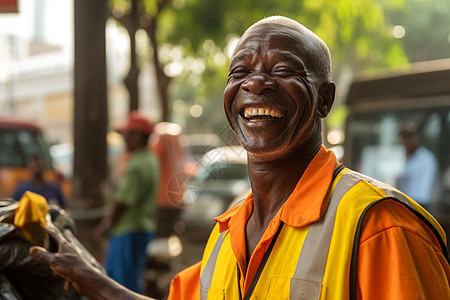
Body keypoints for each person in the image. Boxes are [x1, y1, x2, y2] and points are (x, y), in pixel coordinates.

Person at [30, 16, 450, 299]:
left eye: (283, 69)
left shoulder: (381, 227)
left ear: (325, 100)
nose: (256, 84)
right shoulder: (227, 234)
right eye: (240, 72)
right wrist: (98, 283)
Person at [95, 111, 160, 294]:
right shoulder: (150, 159)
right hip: (142, 228)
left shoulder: (137, 165)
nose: (125, 138)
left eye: (129, 134)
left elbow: (123, 201)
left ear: (140, 136)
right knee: (131, 279)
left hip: (128, 229)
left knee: (121, 284)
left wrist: (106, 224)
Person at [396, 121, 439, 209]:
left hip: (418, 206)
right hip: (399, 204)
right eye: (404, 137)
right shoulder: (397, 155)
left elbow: (423, 192)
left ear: (417, 137)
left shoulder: (426, 159)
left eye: (410, 137)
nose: (407, 140)